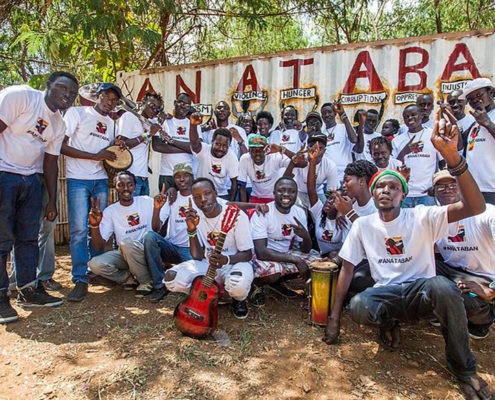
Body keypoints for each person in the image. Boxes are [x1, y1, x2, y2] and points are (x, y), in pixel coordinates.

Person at [324, 108, 493, 400]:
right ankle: (389, 322)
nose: (385, 191)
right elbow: (347, 269)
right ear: (373, 194)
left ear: (403, 194)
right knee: (360, 306)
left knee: (443, 286)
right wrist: (334, 317)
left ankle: (464, 369)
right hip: (388, 292)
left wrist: (453, 157)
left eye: (393, 187)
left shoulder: (422, 215)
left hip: (421, 292)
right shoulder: (363, 224)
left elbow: (475, 207)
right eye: (380, 187)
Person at [0, 71, 79, 323]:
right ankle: (2, 296)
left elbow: (51, 162)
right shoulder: (21, 97)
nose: (67, 95)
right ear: (48, 85)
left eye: (72, 94)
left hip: (31, 181)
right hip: (4, 175)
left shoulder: (58, 124)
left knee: (28, 239)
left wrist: (52, 200)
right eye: (62, 89)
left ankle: (28, 289)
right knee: (2, 240)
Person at [62, 82, 122, 301]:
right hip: (78, 179)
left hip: (99, 180)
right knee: (78, 230)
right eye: (107, 97)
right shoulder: (77, 113)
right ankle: (79, 278)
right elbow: (61, 146)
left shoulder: (112, 124)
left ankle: (95, 271)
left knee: (99, 228)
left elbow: (109, 156)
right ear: (98, 96)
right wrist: (94, 157)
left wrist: (113, 161)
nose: (110, 103)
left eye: (114, 101)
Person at [164, 178, 254, 319]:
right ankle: (211, 295)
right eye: (197, 197)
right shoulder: (195, 216)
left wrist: (226, 259)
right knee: (171, 277)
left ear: (215, 192)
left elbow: (247, 254)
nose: (203, 200)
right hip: (209, 264)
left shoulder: (235, 215)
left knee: (237, 285)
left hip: (235, 263)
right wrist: (191, 230)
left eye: (207, 194)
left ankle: (238, 300)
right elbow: (197, 256)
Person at [433, 169, 495, 340]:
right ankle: (438, 312)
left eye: (453, 184)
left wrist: (491, 289)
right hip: (452, 273)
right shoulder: (435, 218)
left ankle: (483, 321)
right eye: (441, 186)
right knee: (418, 273)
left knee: (469, 302)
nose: (447, 189)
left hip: (483, 277)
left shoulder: (486, 213)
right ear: (434, 193)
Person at [86, 171, 165, 299]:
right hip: (124, 253)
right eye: (121, 185)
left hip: (146, 251)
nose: (126, 189)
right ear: (115, 186)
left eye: (130, 184)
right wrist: (94, 225)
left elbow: (156, 230)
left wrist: (156, 209)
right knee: (94, 264)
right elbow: (98, 246)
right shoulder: (110, 211)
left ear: (135, 186)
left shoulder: (146, 201)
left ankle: (146, 281)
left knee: (126, 244)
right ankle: (129, 277)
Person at [251, 177, 318, 304]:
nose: (286, 194)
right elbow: (261, 252)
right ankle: (255, 285)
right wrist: (296, 260)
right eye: (281, 190)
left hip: (285, 253)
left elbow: (305, 250)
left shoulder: (299, 212)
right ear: (274, 193)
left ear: (296, 194)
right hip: (262, 256)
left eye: (291, 191)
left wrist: (306, 237)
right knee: (274, 272)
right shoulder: (264, 212)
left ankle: (276, 284)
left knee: (317, 262)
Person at [143, 163, 194, 303]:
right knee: (149, 238)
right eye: (178, 176)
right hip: (172, 247)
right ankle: (159, 285)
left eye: (185, 176)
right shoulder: (171, 198)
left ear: (192, 177)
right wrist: (156, 209)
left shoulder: (199, 196)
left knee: (193, 282)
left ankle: (176, 272)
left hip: (191, 250)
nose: (181, 179)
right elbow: (155, 228)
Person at [391, 104, 441, 207]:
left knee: (428, 223)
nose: (410, 118)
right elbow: (393, 166)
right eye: (406, 116)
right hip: (405, 194)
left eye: (413, 115)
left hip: (427, 194)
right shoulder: (397, 140)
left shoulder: (433, 136)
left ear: (421, 115)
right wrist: (405, 152)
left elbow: (443, 162)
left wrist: (436, 184)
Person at [117, 92, 164, 196]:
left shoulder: (149, 123)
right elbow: (121, 144)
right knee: (130, 211)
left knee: (143, 211)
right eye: (152, 105)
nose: (154, 110)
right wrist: (148, 134)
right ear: (143, 103)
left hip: (143, 177)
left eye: (157, 109)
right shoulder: (129, 117)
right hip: (130, 176)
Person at [459, 77, 495, 205]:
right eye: (470, 99)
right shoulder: (475, 121)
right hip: (475, 189)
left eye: (479, 95)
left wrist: (488, 124)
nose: (475, 101)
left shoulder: (486, 119)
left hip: (492, 189)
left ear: (491, 92)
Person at [190, 112, 239, 201]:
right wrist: (193, 126)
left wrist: (230, 203)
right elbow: (194, 143)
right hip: (201, 193)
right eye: (218, 144)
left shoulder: (231, 156)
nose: (221, 148)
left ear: (229, 146)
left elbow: (234, 182)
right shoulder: (204, 149)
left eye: (225, 146)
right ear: (212, 141)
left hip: (221, 194)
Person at [152, 92, 193, 191]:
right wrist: (185, 148)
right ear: (175, 103)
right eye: (181, 103)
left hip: (187, 174)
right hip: (167, 174)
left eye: (187, 105)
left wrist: (171, 141)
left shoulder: (193, 124)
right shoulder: (163, 121)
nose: (184, 107)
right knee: (165, 204)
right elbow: (157, 146)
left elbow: (195, 148)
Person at [285, 134, 339, 208]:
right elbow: (286, 180)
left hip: (318, 193)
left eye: (320, 148)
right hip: (299, 192)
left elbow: (332, 191)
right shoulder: (300, 160)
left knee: (324, 213)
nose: (316, 150)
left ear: (324, 150)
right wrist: (293, 162)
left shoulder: (330, 165)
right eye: (312, 147)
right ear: (307, 148)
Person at [238, 134, 292, 204]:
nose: (257, 154)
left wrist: (281, 149)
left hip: (274, 197)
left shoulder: (275, 157)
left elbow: (298, 162)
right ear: (249, 151)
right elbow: (242, 187)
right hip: (256, 197)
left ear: (266, 150)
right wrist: (245, 209)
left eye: (261, 150)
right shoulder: (244, 159)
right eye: (254, 150)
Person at [320, 101, 358, 183]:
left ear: (335, 113)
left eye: (329, 112)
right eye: (324, 113)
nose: (327, 115)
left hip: (345, 176)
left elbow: (354, 140)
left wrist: (343, 116)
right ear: (322, 117)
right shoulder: (321, 133)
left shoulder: (344, 127)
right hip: (328, 178)